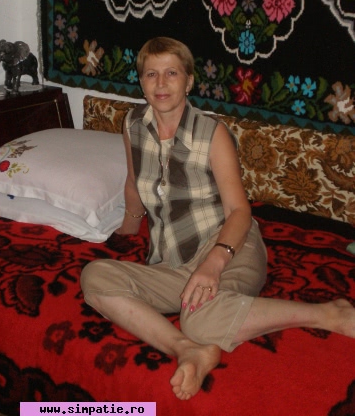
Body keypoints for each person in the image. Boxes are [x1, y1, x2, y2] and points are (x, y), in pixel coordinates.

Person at [80, 37, 355, 401]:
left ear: (189, 81)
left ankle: (327, 315)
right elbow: (134, 182)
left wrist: (214, 263)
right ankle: (187, 349)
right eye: (151, 74)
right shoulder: (132, 124)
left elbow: (240, 212)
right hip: (170, 262)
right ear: (142, 82)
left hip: (228, 244)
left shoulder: (212, 133)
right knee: (95, 276)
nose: (161, 83)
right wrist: (126, 231)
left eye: (172, 73)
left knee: (200, 319)